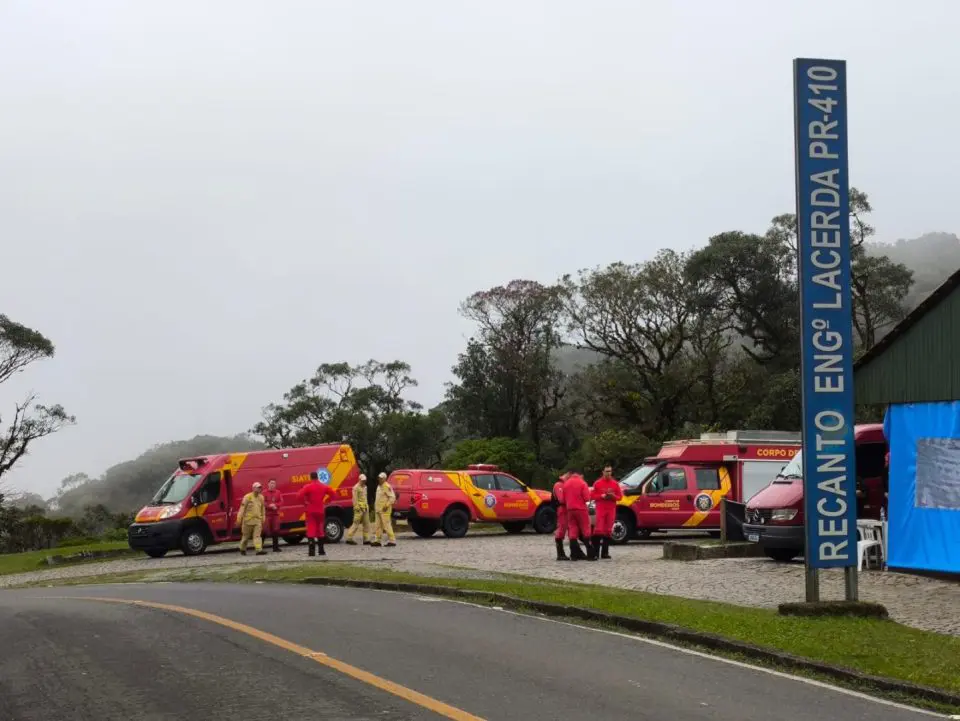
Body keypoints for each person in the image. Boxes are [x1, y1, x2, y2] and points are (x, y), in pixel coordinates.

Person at [297, 471, 335, 557]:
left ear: (310, 477)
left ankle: (312, 552)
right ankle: (321, 551)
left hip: (310, 510)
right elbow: (333, 494)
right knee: (320, 530)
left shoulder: (308, 487)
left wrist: (305, 503)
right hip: (320, 510)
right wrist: (327, 501)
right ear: (317, 477)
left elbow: (299, 496)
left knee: (311, 530)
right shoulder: (323, 486)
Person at [591, 464, 622, 560]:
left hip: (611, 509)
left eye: (610, 471)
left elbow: (620, 497)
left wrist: (613, 497)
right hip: (601, 509)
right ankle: (595, 553)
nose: (609, 473)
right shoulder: (597, 483)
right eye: (607, 471)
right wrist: (602, 496)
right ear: (603, 472)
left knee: (608, 530)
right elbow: (592, 496)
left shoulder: (615, 484)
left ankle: (605, 553)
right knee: (598, 530)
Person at [562, 472, 595, 561]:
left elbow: (563, 499)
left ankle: (573, 554)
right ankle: (591, 554)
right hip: (581, 509)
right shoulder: (582, 483)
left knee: (572, 530)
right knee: (585, 529)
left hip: (570, 510)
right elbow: (587, 498)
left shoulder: (566, 484)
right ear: (581, 475)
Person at [237, 482, 267, 556]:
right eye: (258, 487)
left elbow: (262, 508)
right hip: (247, 521)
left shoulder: (261, 497)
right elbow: (242, 508)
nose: (259, 489)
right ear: (253, 488)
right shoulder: (247, 497)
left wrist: (263, 517)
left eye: (260, 487)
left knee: (257, 536)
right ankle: (242, 549)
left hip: (257, 520)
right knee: (245, 537)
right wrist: (239, 518)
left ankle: (258, 550)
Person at [345, 474, 372, 545]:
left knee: (366, 524)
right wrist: (356, 507)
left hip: (365, 508)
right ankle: (349, 538)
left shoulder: (365, 487)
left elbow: (365, 498)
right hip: (359, 508)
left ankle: (366, 539)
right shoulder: (356, 488)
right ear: (359, 480)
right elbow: (354, 498)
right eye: (362, 480)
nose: (364, 481)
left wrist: (367, 506)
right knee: (356, 523)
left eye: (364, 480)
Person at [372, 472, 397, 547]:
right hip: (378, 509)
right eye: (379, 478)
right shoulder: (379, 486)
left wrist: (387, 505)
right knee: (378, 526)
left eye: (381, 478)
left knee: (387, 525)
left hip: (385, 509)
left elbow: (392, 497)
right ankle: (377, 541)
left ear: (384, 479)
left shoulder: (387, 486)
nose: (379, 479)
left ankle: (392, 541)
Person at [263, 479, 284, 553]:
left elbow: (281, 502)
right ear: (268, 484)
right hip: (267, 515)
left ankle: (275, 547)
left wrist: (276, 505)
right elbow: (263, 502)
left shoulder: (278, 492)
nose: (272, 485)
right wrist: (269, 506)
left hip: (275, 515)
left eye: (274, 483)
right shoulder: (264, 493)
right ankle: (260, 547)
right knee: (265, 530)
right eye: (271, 483)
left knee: (276, 530)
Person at [553, 473, 569, 561]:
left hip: (567, 509)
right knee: (561, 529)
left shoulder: (565, 485)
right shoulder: (559, 485)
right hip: (561, 509)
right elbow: (561, 499)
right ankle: (560, 553)